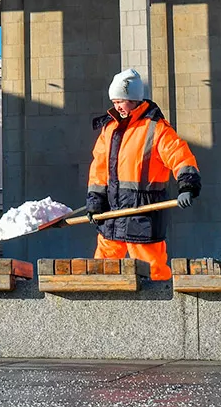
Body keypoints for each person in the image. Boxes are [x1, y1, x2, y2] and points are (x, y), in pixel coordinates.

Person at [85, 68, 201, 280]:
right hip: (112, 211)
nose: (117, 106)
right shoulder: (109, 129)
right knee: (102, 269)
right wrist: (95, 201)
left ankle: (160, 307)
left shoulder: (156, 128)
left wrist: (188, 186)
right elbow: (99, 167)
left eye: (121, 100)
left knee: (152, 268)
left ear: (134, 99)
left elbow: (180, 156)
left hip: (144, 212)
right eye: (114, 101)